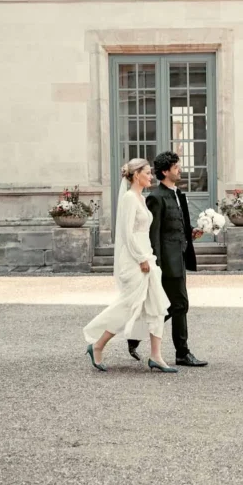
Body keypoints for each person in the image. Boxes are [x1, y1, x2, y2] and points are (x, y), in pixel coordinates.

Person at [83, 158, 178, 373]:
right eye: (147, 173)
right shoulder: (128, 199)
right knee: (128, 307)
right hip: (135, 260)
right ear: (136, 175)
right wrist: (140, 258)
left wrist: (148, 256)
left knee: (157, 305)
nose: (151, 176)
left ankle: (156, 356)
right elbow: (126, 234)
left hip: (146, 256)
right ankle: (97, 345)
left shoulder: (141, 199)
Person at [127, 151, 208, 368]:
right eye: (176, 167)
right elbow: (154, 233)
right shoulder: (156, 197)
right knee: (179, 304)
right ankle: (182, 353)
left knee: (170, 306)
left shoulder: (178, 194)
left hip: (180, 256)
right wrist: (156, 263)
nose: (180, 170)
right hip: (166, 261)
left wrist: (191, 232)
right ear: (165, 171)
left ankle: (135, 337)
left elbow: (178, 224)